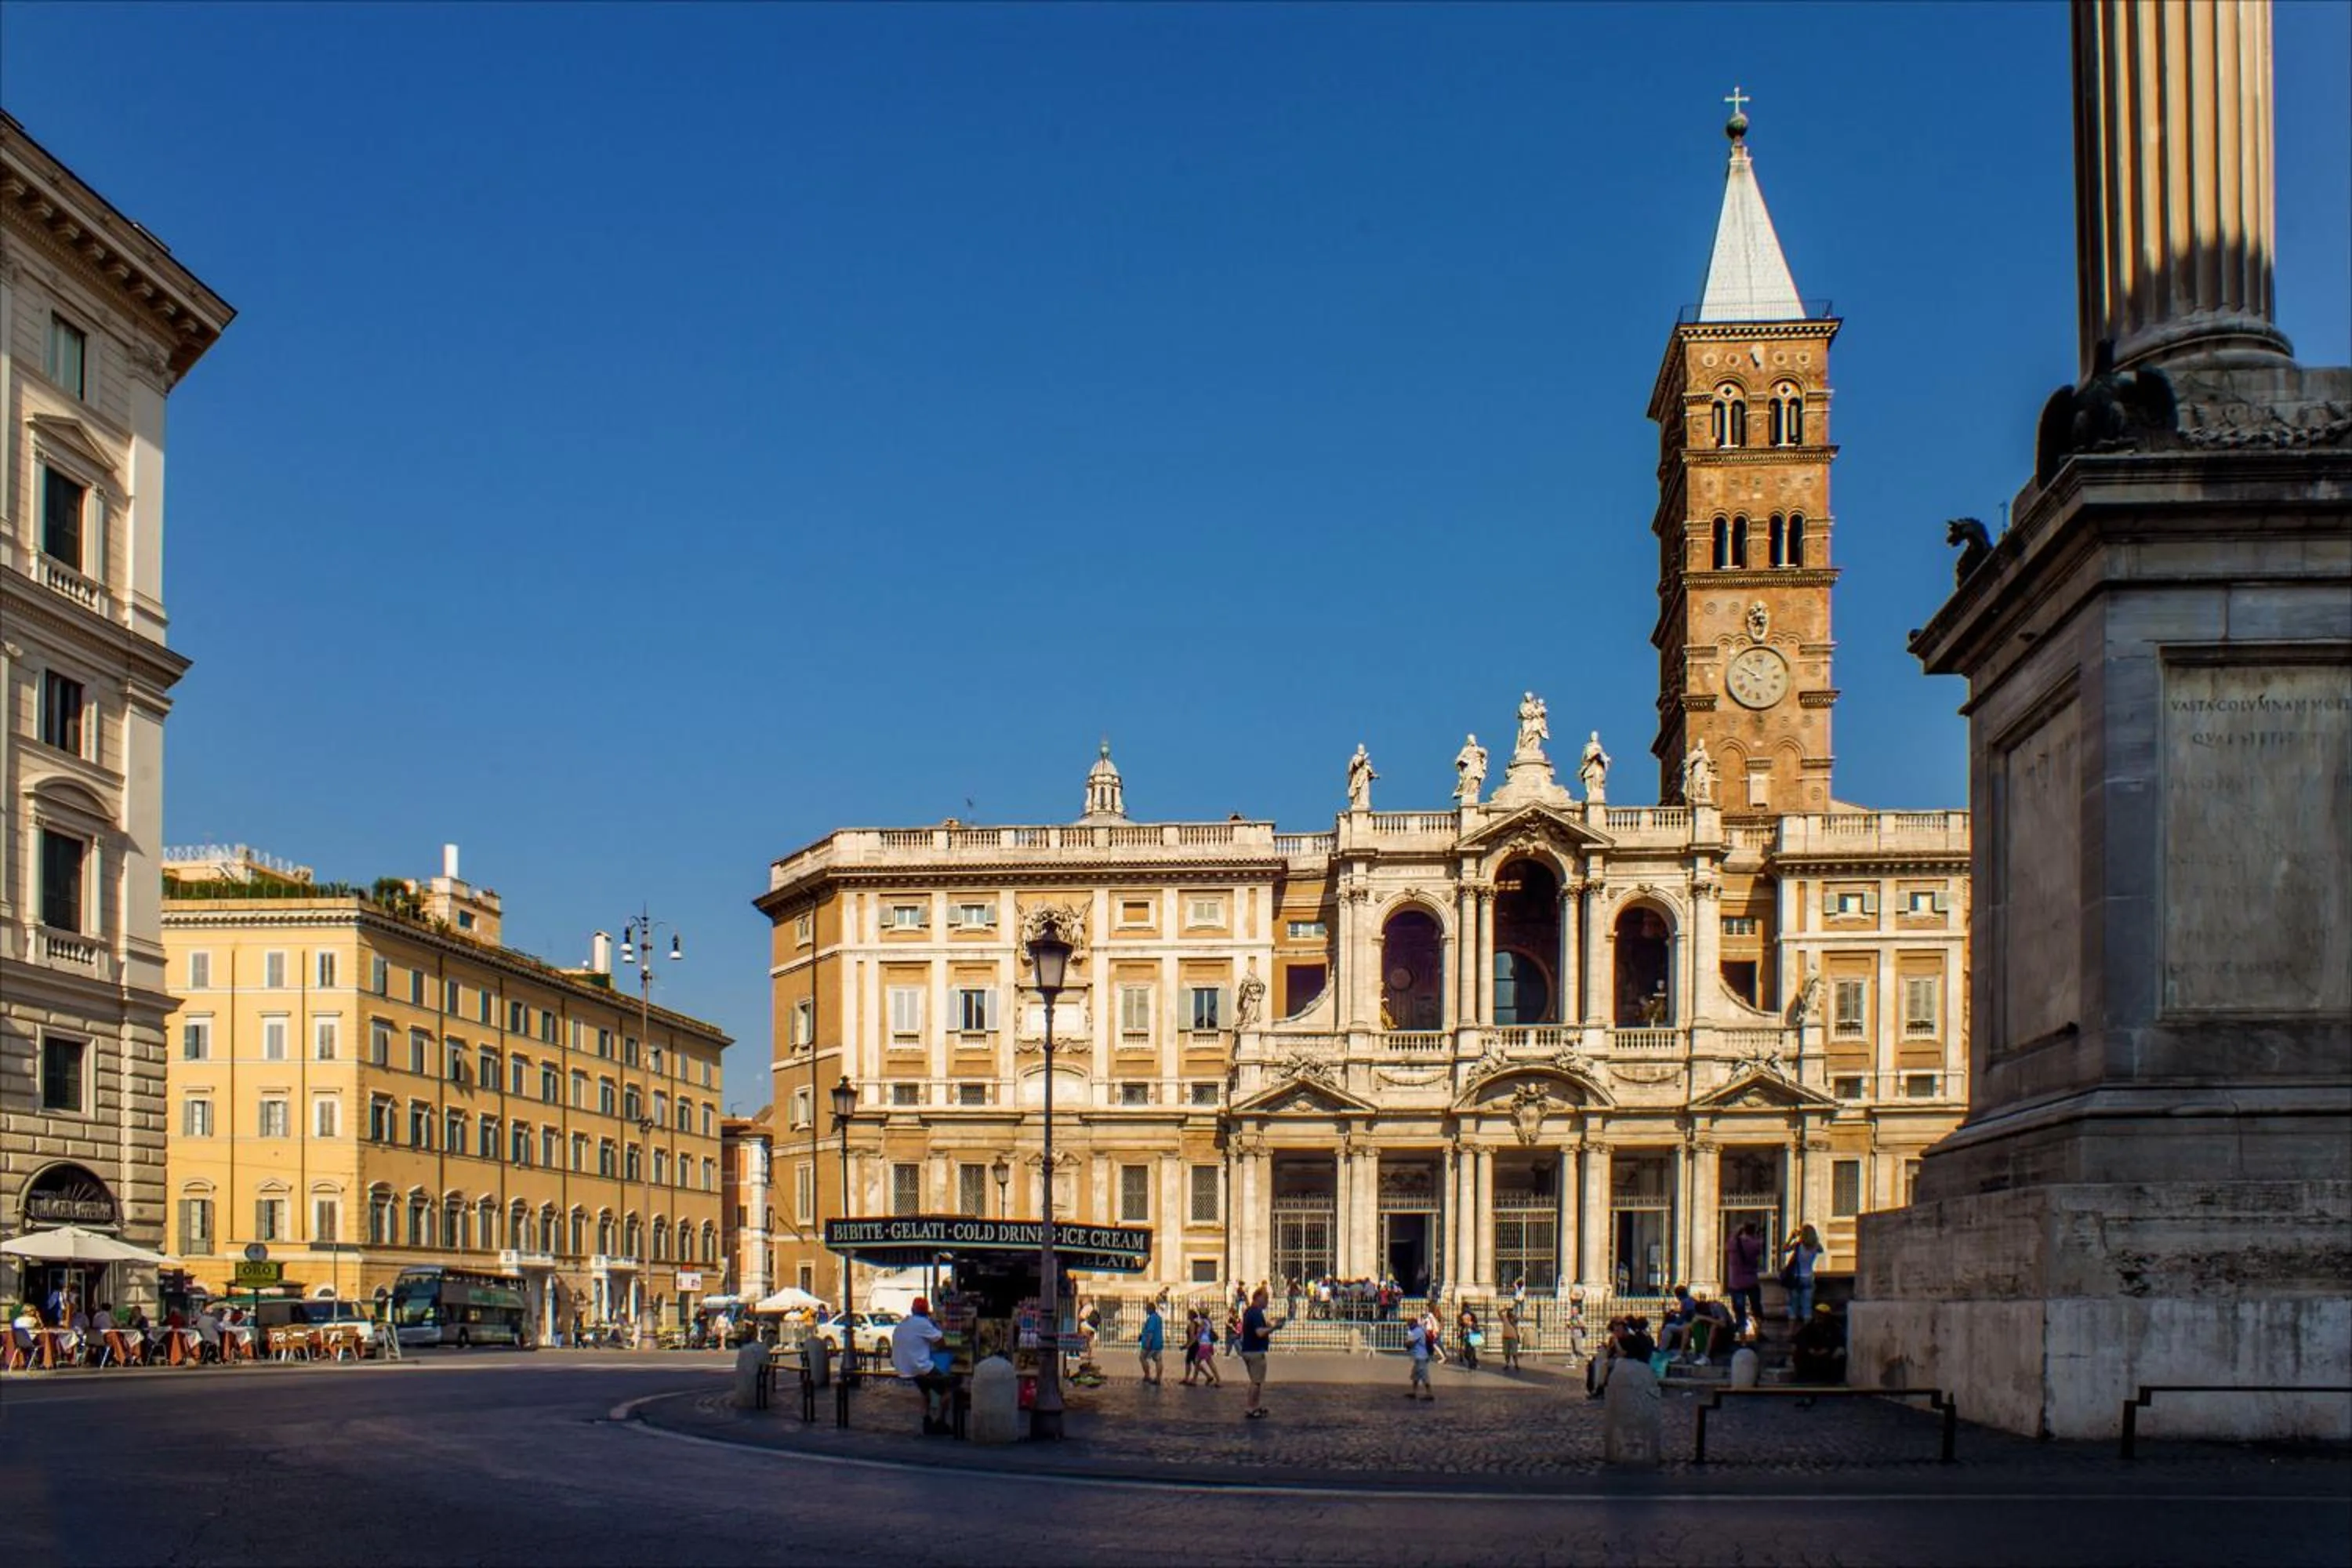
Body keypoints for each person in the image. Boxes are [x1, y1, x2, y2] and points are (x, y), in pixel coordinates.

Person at [889, 1297, 951, 1435]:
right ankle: (941, 1421)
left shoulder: (904, 1323)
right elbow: (941, 1342)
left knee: (925, 1390)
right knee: (947, 1391)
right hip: (919, 1367)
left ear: (912, 1310)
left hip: (902, 1366)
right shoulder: (923, 1323)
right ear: (926, 1311)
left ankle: (926, 1419)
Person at [1238, 1285, 1282, 1419]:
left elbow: (1258, 1328)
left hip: (1249, 1349)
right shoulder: (1256, 1313)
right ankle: (1251, 1408)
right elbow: (1259, 1332)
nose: (1267, 1302)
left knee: (1256, 1381)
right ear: (1258, 1298)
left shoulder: (1250, 1311)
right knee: (1256, 1382)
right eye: (1266, 1299)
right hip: (1255, 1350)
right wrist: (1273, 1329)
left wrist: (1271, 1324)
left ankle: (1255, 1406)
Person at [1790, 1305, 1846, 1400]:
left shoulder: (1834, 1327)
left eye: (1822, 1315)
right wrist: (1809, 1349)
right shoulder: (1810, 1326)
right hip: (1811, 1353)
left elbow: (1838, 1340)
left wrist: (1828, 1349)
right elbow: (1800, 1339)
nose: (1819, 1317)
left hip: (1827, 1353)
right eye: (1818, 1314)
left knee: (1839, 1355)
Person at [1726, 1222, 1765, 1340]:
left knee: (1739, 1312)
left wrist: (1738, 1230)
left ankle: (1742, 1338)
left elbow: (1728, 1242)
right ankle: (1759, 1332)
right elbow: (1761, 1247)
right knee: (1756, 1308)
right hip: (1751, 1281)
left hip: (1736, 1282)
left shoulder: (1733, 1244)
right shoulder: (1755, 1244)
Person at [1780, 1224, 1824, 1322]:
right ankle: (1807, 1332)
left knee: (1793, 1307)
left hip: (1796, 1278)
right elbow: (1822, 1250)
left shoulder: (1798, 1245)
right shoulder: (1816, 1246)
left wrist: (1791, 1237)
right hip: (1808, 1278)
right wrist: (1813, 1238)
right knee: (1807, 1309)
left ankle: (1790, 1331)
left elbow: (1784, 1249)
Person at [1403, 1312, 1435, 1401]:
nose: (1408, 1327)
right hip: (1418, 1356)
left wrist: (1406, 1342)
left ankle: (1429, 1393)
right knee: (1415, 1376)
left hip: (1421, 1356)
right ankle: (1414, 1392)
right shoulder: (1419, 1330)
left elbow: (1410, 1343)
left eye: (1409, 1325)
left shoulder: (1417, 1331)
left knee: (1424, 1375)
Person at [1136, 1300, 1165, 1387]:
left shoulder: (1152, 1318)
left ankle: (1147, 1375)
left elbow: (1150, 1332)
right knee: (1158, 1360)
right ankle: (1158, 1378)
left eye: (1147, 1309)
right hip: (1158, 1342)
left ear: (1150, 1309)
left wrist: (1147, 1343)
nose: (1146, 1310)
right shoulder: (1158, 1318)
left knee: (1142, 1358)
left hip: (1151, 1343)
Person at [1456, 1305, 1481, 1371]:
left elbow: (1478, 1331)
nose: (1463, 1321)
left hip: (1473, 1339)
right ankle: (1472, 1364)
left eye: (1464, 1319)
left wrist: (1473, 1333)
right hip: (1467, 1340)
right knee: (1467, 1354)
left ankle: (1471, 1365)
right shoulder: (1465, 1325)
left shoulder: (1473, 1324)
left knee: (1471, 1353)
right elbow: (1462, 1330)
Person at [1497, 1305, 1522, 1372]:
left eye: (1511, 1311)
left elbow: (1518, 1320)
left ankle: (1516, 1365)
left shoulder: (1514, 1319)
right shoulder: (1504, 1318)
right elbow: (1499, 1312)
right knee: (1507, 1353)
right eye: (1509, 1311)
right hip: (1506, 1337)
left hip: (1513, 1338)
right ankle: (1507, 1364)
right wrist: (1504, 1309)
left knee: (1514, 1353)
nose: (1510, 1313)